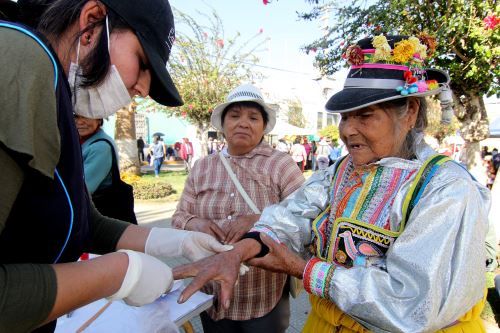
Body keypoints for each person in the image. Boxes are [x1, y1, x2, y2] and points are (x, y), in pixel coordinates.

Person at [174, 35, 491, 333]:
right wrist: (240, 250)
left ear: (409, 112)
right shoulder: (342, 171)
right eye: (344, 117)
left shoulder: (446, 189)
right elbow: (292, 214)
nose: (348, 130)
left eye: (364, 116)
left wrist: (304, 269)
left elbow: (413, 303)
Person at [0, 1, 233, 332]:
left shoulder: (57, 95)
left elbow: (83, 221)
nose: (143, 89)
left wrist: (175, 242)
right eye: (141, 62)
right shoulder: (22, 60)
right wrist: (117, 274)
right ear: (92, 21)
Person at [171, 83, 305, 333]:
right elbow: (178, 217)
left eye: (253, 117)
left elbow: (305, 218)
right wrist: (195, 223)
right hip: (212, 292)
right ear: (222, 124)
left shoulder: (281, 165)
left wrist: (260, 218)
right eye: (234, 115)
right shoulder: (202, 167)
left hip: (264, 293)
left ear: (264, 127)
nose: (243, 123)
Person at [75, 115, 114, 194]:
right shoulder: (81, 141)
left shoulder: (100, 147)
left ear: (99, 120)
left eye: (86, 116)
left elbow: (82, 188)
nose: (79, 122)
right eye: (75, 116)